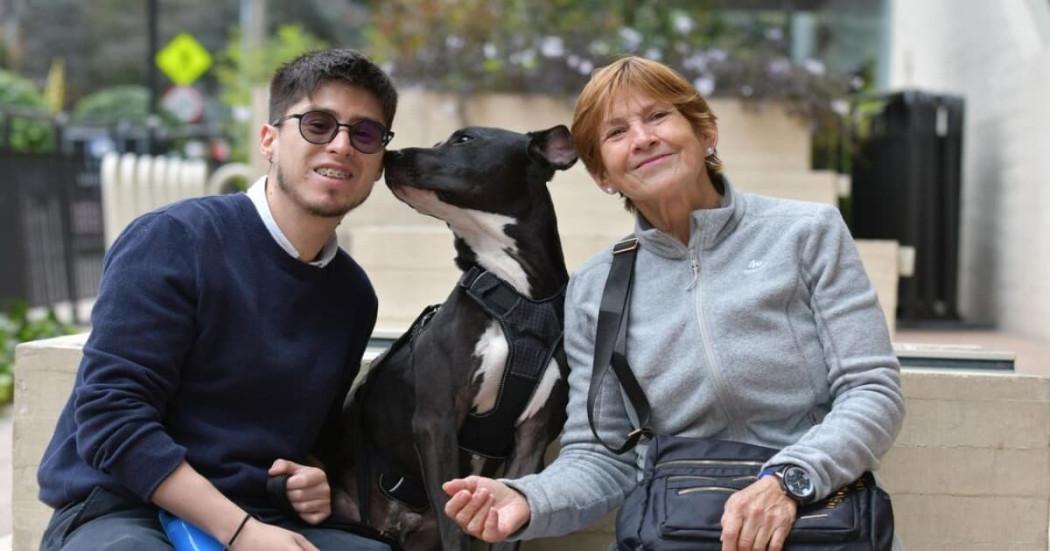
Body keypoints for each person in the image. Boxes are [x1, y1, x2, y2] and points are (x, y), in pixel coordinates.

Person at [443, 56, 905, 551]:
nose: (642, 139)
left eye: (658, 116)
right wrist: (527, 499)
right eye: (616, 132)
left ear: (706, 133)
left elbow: (871, 390)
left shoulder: (806, 233)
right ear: (603, 175)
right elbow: (602, 454)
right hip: (682, 529)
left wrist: (788, 480)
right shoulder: (597, 287)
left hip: (822, 519)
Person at [37, 49, 397, 551]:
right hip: (125, 509)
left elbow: (311, 436)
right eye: (318, 124)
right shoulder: (175, 240)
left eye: (365, 134)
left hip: (262, 512)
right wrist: (242, 533)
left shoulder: (352, 296)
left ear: (379, 161)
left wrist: (313, 474)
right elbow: (110, 420)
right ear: (269, 140)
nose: (341, 145)